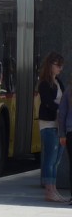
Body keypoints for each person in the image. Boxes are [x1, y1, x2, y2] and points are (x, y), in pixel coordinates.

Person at [37, 51, 66, 203]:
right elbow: (47, 102)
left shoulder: (59, 82)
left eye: (62, 65)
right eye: (58, 65)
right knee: (50, 159)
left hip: (59, 125)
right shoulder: (44, 84)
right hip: (48, 124)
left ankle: (54, 190)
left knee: (56, 160)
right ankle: (49, 190)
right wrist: (61, 109)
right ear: (50, 65)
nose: (60, 68)